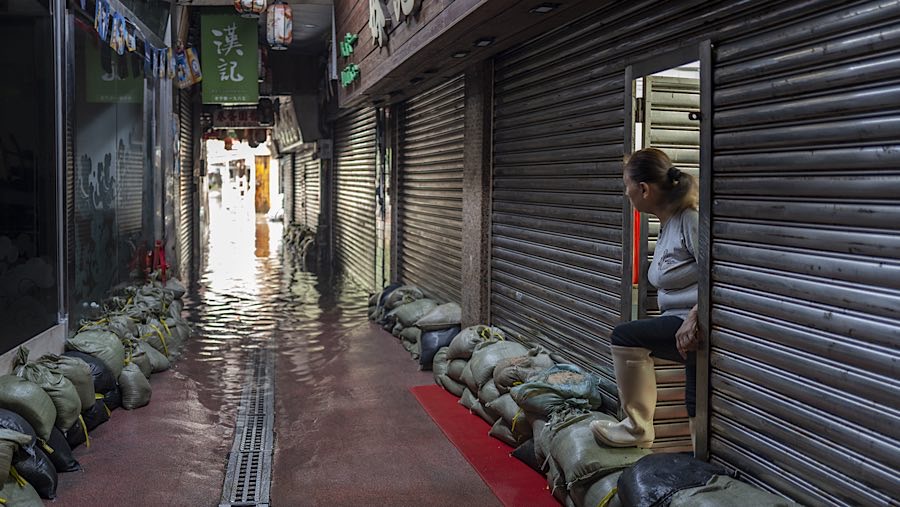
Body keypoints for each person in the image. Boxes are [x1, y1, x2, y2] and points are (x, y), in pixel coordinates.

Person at [591, 147, 700, 449]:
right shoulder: (668, 225)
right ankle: (699, 468)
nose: (626, 194)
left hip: (693, 323)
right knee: (696, 400)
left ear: (643, 189)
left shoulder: (690, 221)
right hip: (679, 325)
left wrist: (695, 317)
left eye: (627, 186)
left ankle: (637, 429)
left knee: (625, 336)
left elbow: (720, 274)